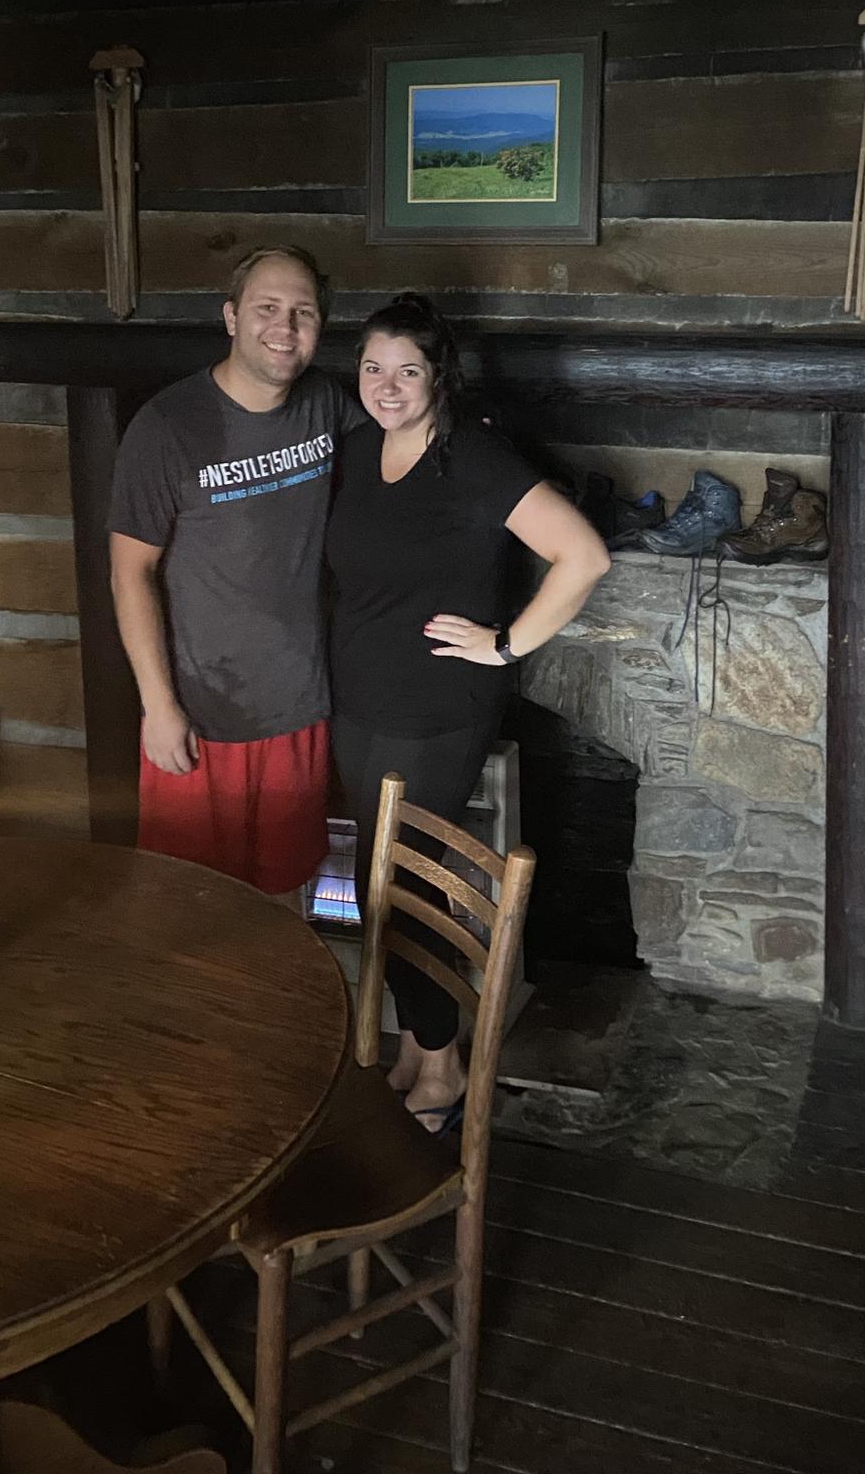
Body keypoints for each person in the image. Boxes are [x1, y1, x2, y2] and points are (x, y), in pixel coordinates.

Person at [325, 293, 610, 1132]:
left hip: (438, 707)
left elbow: (583, 554)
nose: (387, 385)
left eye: (407, 371)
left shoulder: (472, 457)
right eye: (374, 368)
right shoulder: (356, 450)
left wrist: (507, 644)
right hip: (360, 699)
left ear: (438, 377)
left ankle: (442, 1066)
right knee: (377, 889)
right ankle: (421, 1051)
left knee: (402, 887)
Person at [107, 245, 360, 899]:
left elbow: (403, 458)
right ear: (231, 317)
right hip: (197, 717)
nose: (285, 327)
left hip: (299, 708)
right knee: (186, 906)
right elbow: (130, 574)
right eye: (267, 308)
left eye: (303, 312)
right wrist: (158, 707)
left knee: (284, 902)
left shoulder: (327, 404)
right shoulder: (166, 426)